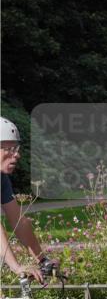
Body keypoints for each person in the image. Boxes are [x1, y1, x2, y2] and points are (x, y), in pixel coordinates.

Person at [1, 117, 49, 282]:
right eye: (10, 149)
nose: (17, 154)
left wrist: (43, 259)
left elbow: (18, 221)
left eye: (17, 148)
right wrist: (16, 267)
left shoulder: (2, 179)